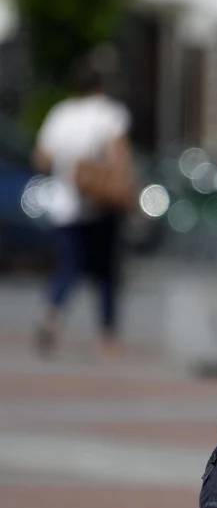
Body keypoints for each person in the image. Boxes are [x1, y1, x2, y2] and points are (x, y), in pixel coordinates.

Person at [31, 48, 134, 357]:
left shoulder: (61, 114)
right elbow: (120, 158)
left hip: (64, 204)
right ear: (102, 83)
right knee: (106, 274)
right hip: (100, 206)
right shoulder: (110, 114)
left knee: (69, 266)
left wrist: (67, 164)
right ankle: (107, 335)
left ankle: (51, 313)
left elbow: (41, 157)